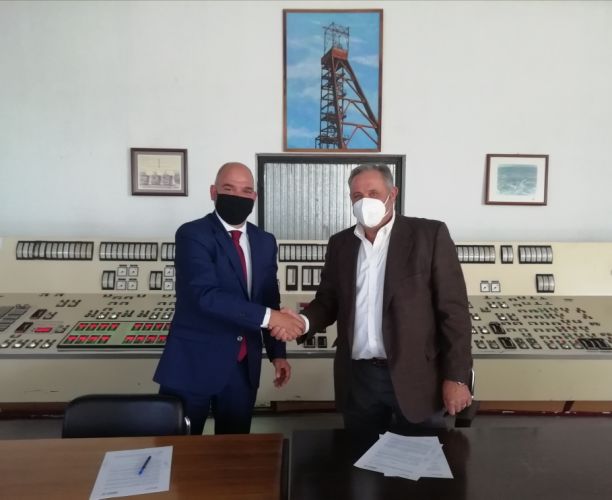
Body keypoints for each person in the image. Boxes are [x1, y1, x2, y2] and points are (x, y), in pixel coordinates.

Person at [272, 164, 473, 433]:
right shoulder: (341, 244)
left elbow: (454, 312)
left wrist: (457, 378)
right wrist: (302, 322)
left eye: (373, 193)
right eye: (357, 196)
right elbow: (328, 300)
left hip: (418, 377)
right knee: (361, 454)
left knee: (422, 455)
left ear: (393, 194)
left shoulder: (429, 235)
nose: (365, 201)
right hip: (360, 379)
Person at [154, 162, 304, 435]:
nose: (238, 196)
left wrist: (277, 354)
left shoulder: (265, 241)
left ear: (254, 197)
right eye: (229, 188)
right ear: (213, 192)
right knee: (180, 451)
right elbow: (205, 296)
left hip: (242, 367)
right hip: (193, 364)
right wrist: (273, 317)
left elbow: (269, 297)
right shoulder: (193, 234)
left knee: (234, 449)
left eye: (246, 190)